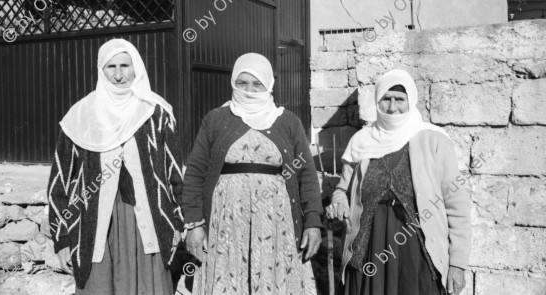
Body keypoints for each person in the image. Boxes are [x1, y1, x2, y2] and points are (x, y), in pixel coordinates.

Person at [47, 39, 184, 295]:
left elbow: (174, 173)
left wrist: (177, 222)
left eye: (125, 65)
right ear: (101, 69)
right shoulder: (80, 116)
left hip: (147, 224)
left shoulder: (157, 113)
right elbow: (60, 184)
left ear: (137, 68)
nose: (119, 74)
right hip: (94, 226)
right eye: (111, 67)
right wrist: (62, 239)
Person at [182, 53, 323, 294]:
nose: (249, 89)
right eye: (242, 83)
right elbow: (195, 173)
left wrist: (313, 222)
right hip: (225, 221)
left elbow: (306, 174)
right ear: (233, 83)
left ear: (269, 84)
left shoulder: (287, 121)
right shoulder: (216, 119)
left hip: (275, 222)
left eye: (257, 84)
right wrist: (194, 224)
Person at [326, 69, 471, 295]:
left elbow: (457, 205)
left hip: (417, 253)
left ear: (411, 100)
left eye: (400, 99)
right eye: (386, 99)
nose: (392, 107)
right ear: (377, 101)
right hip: (368, 249)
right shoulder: (362, 142)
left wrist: (458, 264)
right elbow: (342, 189)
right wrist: (339, 202)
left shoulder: (434, 140)